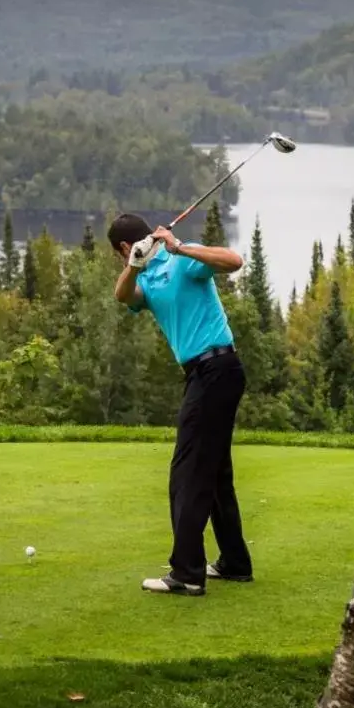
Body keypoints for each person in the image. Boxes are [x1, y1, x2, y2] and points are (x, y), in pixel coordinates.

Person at [107, 212, 255, 597]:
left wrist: (178, 245)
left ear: (122, 247)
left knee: (187, 473)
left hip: (218, 368)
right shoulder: (145, 277)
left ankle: (187, 573)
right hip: (202, 374)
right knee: (215, 472)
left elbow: (234, 261)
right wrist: (135, 266)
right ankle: (235, 562)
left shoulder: (181, 261)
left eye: (119, 256)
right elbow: (122, 295)